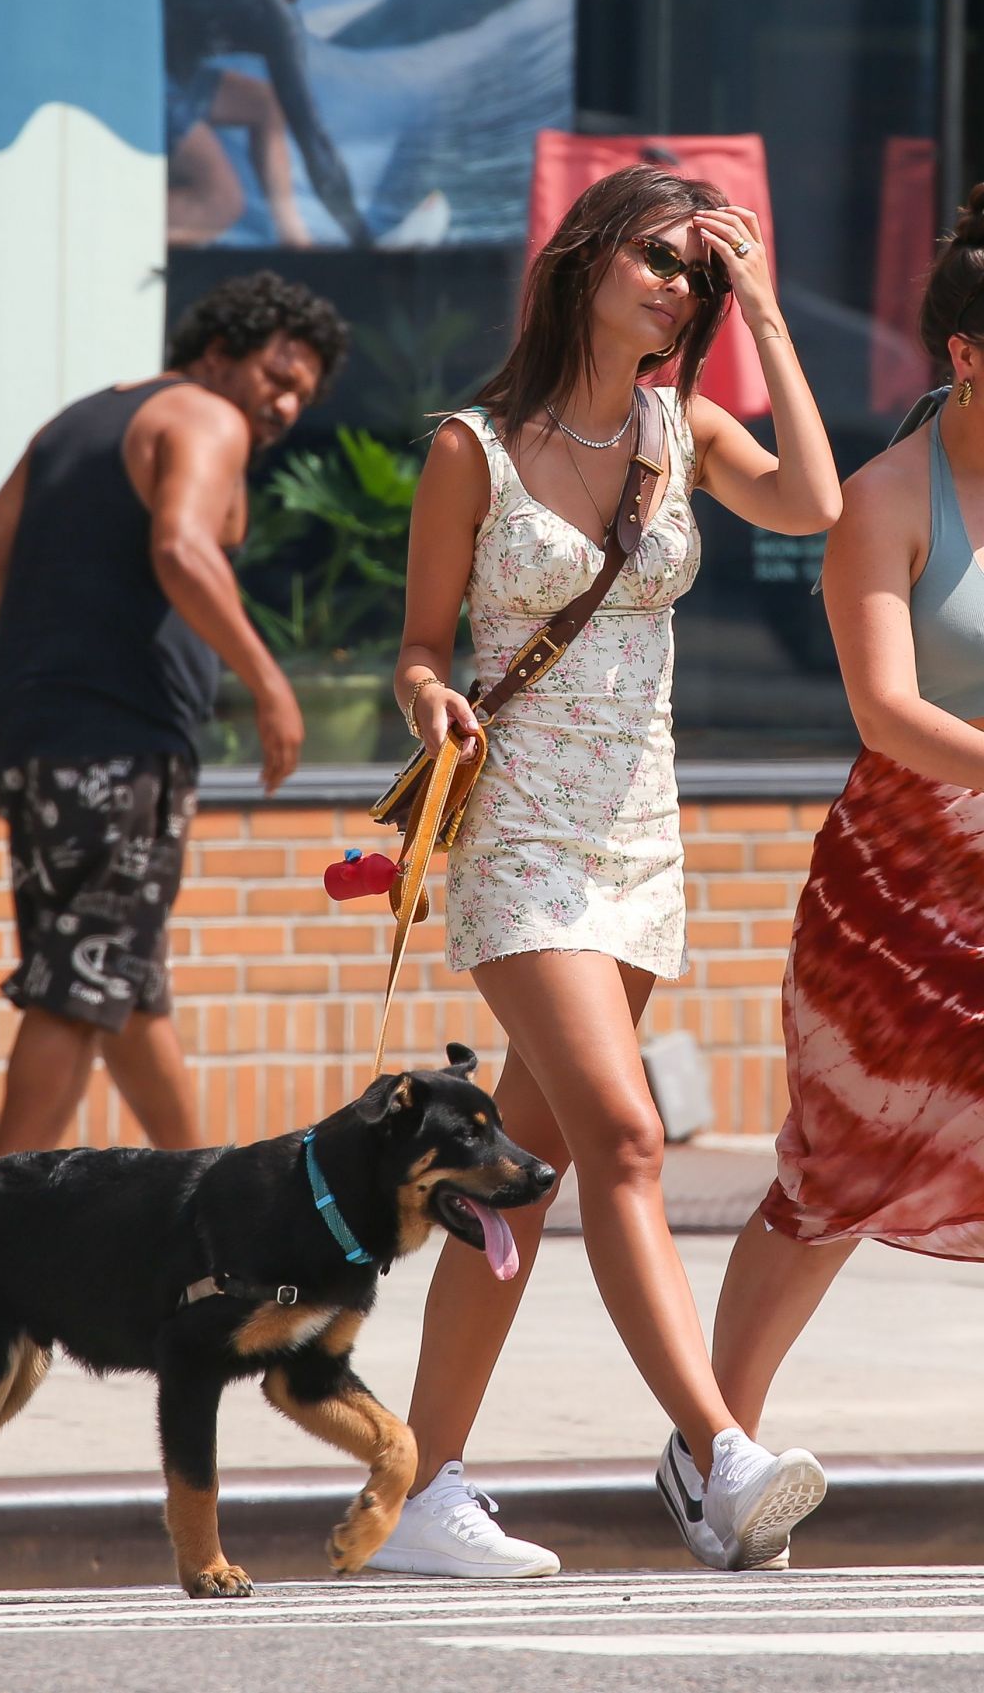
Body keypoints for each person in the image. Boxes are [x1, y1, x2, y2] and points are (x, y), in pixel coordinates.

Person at [368, 164, 843, 1579]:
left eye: (698, 274)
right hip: (518, 835)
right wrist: (424, 701)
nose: (679, 287)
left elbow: (813, 499)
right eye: (660, 257)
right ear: (581, 259)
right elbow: (417, 644)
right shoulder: (476, 446)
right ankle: (717, 1448)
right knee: (630, 1139)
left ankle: (420, 1487)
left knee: (526, 1170)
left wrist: (761, 300)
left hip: (641, 836)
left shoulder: (681, 425)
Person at [659, 184, 984, 1569]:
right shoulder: (891, 497)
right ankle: (715, 1449)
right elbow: (884, 711)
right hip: (902, 896)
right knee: (835, 1176)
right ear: (971, 353)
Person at [0, 271, 349, 1160]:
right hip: (118, 744)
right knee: (80, 982)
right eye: (275, 375)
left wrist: (71, 644)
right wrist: (268, 682)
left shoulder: (77, 422)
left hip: (28, 734)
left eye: (302, 392)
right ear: (216, 353)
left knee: (120, 983)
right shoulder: (206, 417)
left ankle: (200, 1200)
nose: (285, 403)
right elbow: (179, 547)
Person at [165, 0, 371, 249]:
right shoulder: (274, 16)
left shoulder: (277, 18)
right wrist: (363, 242)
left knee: (264, 104)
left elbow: (310, 136)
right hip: (142, 78)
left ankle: (294, 240)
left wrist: (360, 239)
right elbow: (314, 143)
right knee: (222, 201)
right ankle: (123, 238)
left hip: (174, 76)